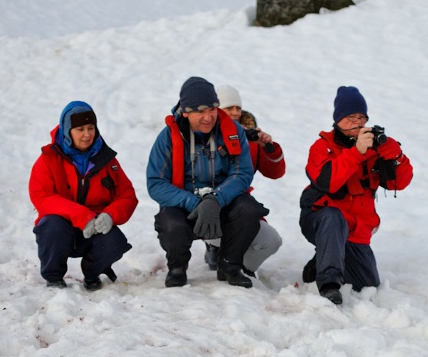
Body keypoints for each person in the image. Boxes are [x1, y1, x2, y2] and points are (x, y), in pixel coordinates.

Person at [147, 77, 267, 288]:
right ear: (185, 112)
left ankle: (230, 266)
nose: (208, 117)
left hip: (221, 203)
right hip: (186, 206)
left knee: (248, 209)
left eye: (212, 109)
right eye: (200, 111)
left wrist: (215, 200)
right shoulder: (168, 137)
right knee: (170, 221)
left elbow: (242, 173)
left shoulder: (233, 131)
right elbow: (156, 182)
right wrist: (193, 203)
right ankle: (177, 267)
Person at [299, 86, 413, 304]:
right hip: (321, 219)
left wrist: (396, 156)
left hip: (357, 229)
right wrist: (357, 152)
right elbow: (327, 182)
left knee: (368, 285)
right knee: (333, 216)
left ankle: (319, 263)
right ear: (338, 119)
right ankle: (329, 284)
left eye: (362, 117)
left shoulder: (373, 146)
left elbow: (398, 183)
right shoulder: (322, 146)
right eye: (350, 117)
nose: (358, 122)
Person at [29, 101, 137, 290]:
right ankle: (54, 276)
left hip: (94, 226)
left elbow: (127, 195)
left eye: (91, 127)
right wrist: (80, 215)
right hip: (62, 227)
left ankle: (92, 274)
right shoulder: (49, 158)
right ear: (67, 131)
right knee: (51, 226)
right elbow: (41, 196)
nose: (87, 134)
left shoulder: (107, 159)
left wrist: (111, 215)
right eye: (80, 129)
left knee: (115, 242)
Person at [201, 84, 285, 275]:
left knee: (270, 241)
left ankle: (237, 268)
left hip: (241, 202)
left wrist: (268, 147)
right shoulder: (203, 136)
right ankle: (215, 248)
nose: (235, 112)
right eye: (229, 108)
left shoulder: (250, 136)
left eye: (238, 108)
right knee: (232, 232)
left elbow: (275, 173)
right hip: (209, 204)